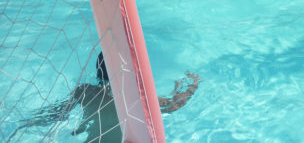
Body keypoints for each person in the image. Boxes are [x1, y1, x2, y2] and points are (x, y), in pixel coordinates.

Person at [11, 52, 199, 141]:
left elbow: (56, 115)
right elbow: (175, 105)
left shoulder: (84, 91)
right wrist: (192, 85)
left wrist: (28, 123)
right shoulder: (138, 99)